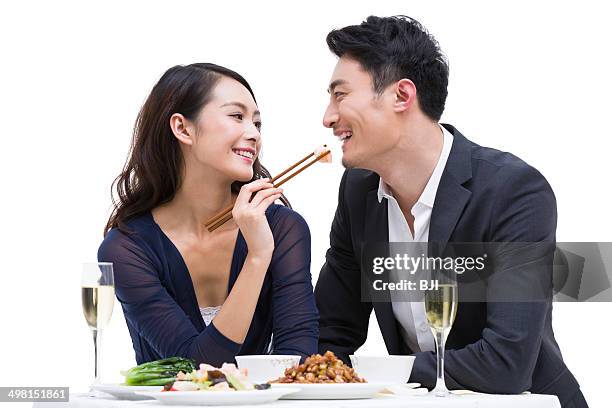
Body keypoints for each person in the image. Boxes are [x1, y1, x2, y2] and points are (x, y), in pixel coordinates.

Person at [314, 16, 587, 408]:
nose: (328, 117)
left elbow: (506, 363)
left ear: (402, 96)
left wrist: (381, 374)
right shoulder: (358, 192)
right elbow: (330, 334)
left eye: (340, 95)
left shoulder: (513, 191)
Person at [98, 63, 319, 367]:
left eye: (257, 123)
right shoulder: (126, 247)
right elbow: (197, 367)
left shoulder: (283, 229)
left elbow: (298, 357)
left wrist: (262, 248)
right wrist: (257, 258)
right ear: (182, 128)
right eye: (236, 116)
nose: (253, 134)